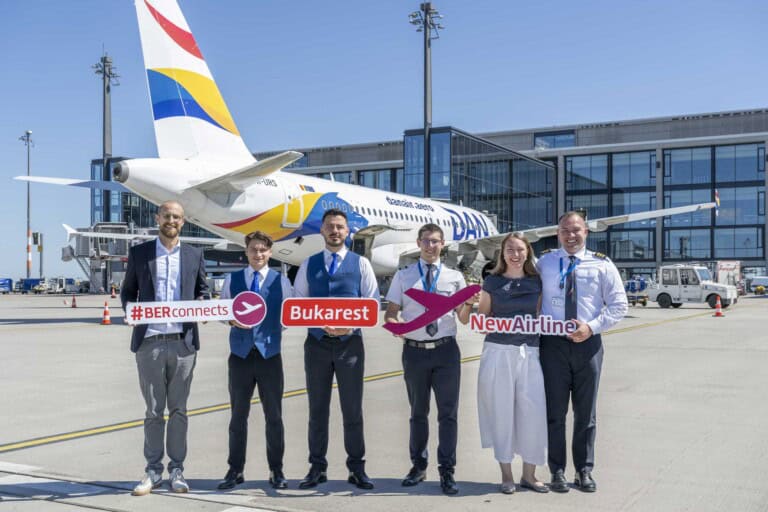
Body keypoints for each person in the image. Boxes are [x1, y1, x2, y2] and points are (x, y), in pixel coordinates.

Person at [120, 200, 209, 496]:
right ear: (158, 218)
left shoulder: (194, 255)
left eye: (177, 217)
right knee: (154, 411)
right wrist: (130, 312)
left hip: (183, 345)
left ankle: (177, 470)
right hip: (150, 344)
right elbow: (128, 292)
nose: (171, 220)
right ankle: (153, 471)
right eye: (167, 215)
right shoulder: (140, 253)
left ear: (183, 222)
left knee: (180, 410)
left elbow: (203, 290)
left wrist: (203, 306)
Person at [536, 211, 628, 493]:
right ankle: (558, 470)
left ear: (586, 232)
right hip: (552, 346)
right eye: (564, 230)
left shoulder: (602, 265)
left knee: (586, 413)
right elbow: (527, 296)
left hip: (588, 345)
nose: (570, 235)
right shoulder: (545, 262)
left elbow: (619, 306)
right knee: (555, 412)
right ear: (558, 233)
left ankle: (584, 470)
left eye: (576, 230)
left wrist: (591, 327)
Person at [293, 208, 380, 490]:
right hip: (317, 345)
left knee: (352, 409)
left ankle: (357, 468)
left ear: (348, 231)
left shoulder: (361, 264)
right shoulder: (309, 264)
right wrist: (320, 321)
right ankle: (317, 468)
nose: (335, 231)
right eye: (330, 226)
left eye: (340, 227)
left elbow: (372, 304)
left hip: (350, 346)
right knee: (317, 410)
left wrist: (349, 328)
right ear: (322, 231)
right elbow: (298, 303)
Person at [458, 233, 549, 495]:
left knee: (532, 413)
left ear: (528, 252)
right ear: (502, 253)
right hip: (498, 352)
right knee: (501, 412)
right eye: (510, 249)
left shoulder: (536, 282)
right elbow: (480, 318)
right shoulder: (493, 281)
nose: (515, 254)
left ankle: (529, 475)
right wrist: (468, 304)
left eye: (520, 249)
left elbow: (542, 317)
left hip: (529, 352)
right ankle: (506, 475)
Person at [384, 223, 469, 495]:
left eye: (435, 241)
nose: (430, 246)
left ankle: (447, 470)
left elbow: (463, 317)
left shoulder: (455, 277)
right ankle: (418, 467)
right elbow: (391, 311)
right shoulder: (404, 275)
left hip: (446, 351)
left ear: (442, 244)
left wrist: (469, 302)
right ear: (419, 243)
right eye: (426, 241)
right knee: (418, 413)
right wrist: (394, 324)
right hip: (415, 352)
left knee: (448, 415)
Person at [217, 231, 293, 490]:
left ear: (270, 253)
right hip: (239, 356)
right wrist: (230, 320)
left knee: (274, 417)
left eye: (262, 250)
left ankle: (277, 470)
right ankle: (234, 470)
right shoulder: (233, 279)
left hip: (269, 356)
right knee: (238, 417)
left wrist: (270, 332)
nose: (258, 254)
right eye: (253, 249)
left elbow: (289, 315)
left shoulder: (281, 282)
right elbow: (222, 310)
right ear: (246, 252)